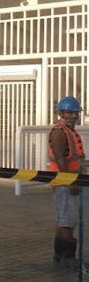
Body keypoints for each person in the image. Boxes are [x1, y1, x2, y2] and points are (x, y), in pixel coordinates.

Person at [49, 96, 85, 270]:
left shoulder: (68, 131)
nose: (71, 116)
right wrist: (70, 181)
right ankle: (69, 258)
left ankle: (59, 254)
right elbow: (60, 159)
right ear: (60, 113)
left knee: (63, 218)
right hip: (65, 181)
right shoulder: (59, 131)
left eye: (74, 113)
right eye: (68, 113)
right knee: (67, 220)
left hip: (68, 179)